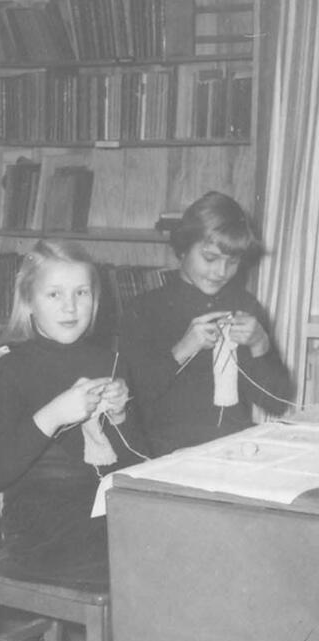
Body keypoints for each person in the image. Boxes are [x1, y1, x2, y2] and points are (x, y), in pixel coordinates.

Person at [0, 240, 147, 589]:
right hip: (42, 531)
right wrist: (52, 415)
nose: (70, 306)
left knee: (189, 537)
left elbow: (138, 464)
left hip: (101, 511)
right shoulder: (10, 370)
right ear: (28, 303)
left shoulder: (109, 362)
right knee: (155, 558)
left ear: (95, 300)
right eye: (54, 295)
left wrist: (120, 417)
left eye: (81, 293)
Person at [119, 191, 291, 456]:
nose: (221, 272)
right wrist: (181, 351)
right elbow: (129, 401)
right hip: (163, 454)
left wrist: (261, 345)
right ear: (183, 247)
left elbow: (277, 403)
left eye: (232, 262)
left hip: (232, 451)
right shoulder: (144, 309)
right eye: (210, 258)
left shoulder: (245, 306)